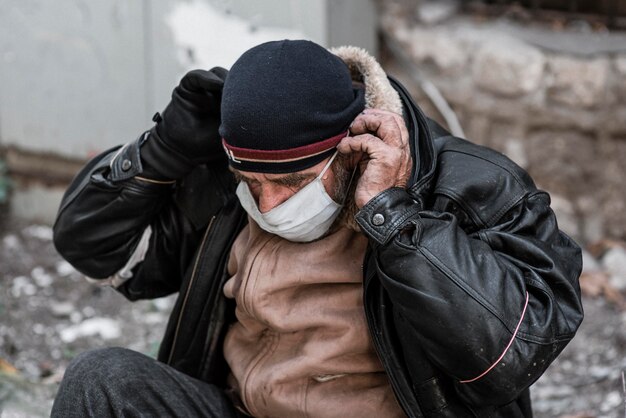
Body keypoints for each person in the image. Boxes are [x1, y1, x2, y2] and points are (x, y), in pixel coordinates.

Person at [51, 39, 583, 417]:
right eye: (252, 181)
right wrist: (161, 151)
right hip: (244, 408)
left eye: (295, 181)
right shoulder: (234, 181)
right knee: (101, 380)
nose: (271, 202)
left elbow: (507, 360)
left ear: (353, 144)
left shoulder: (473, 185)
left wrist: (396, 217)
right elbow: (95, 247)